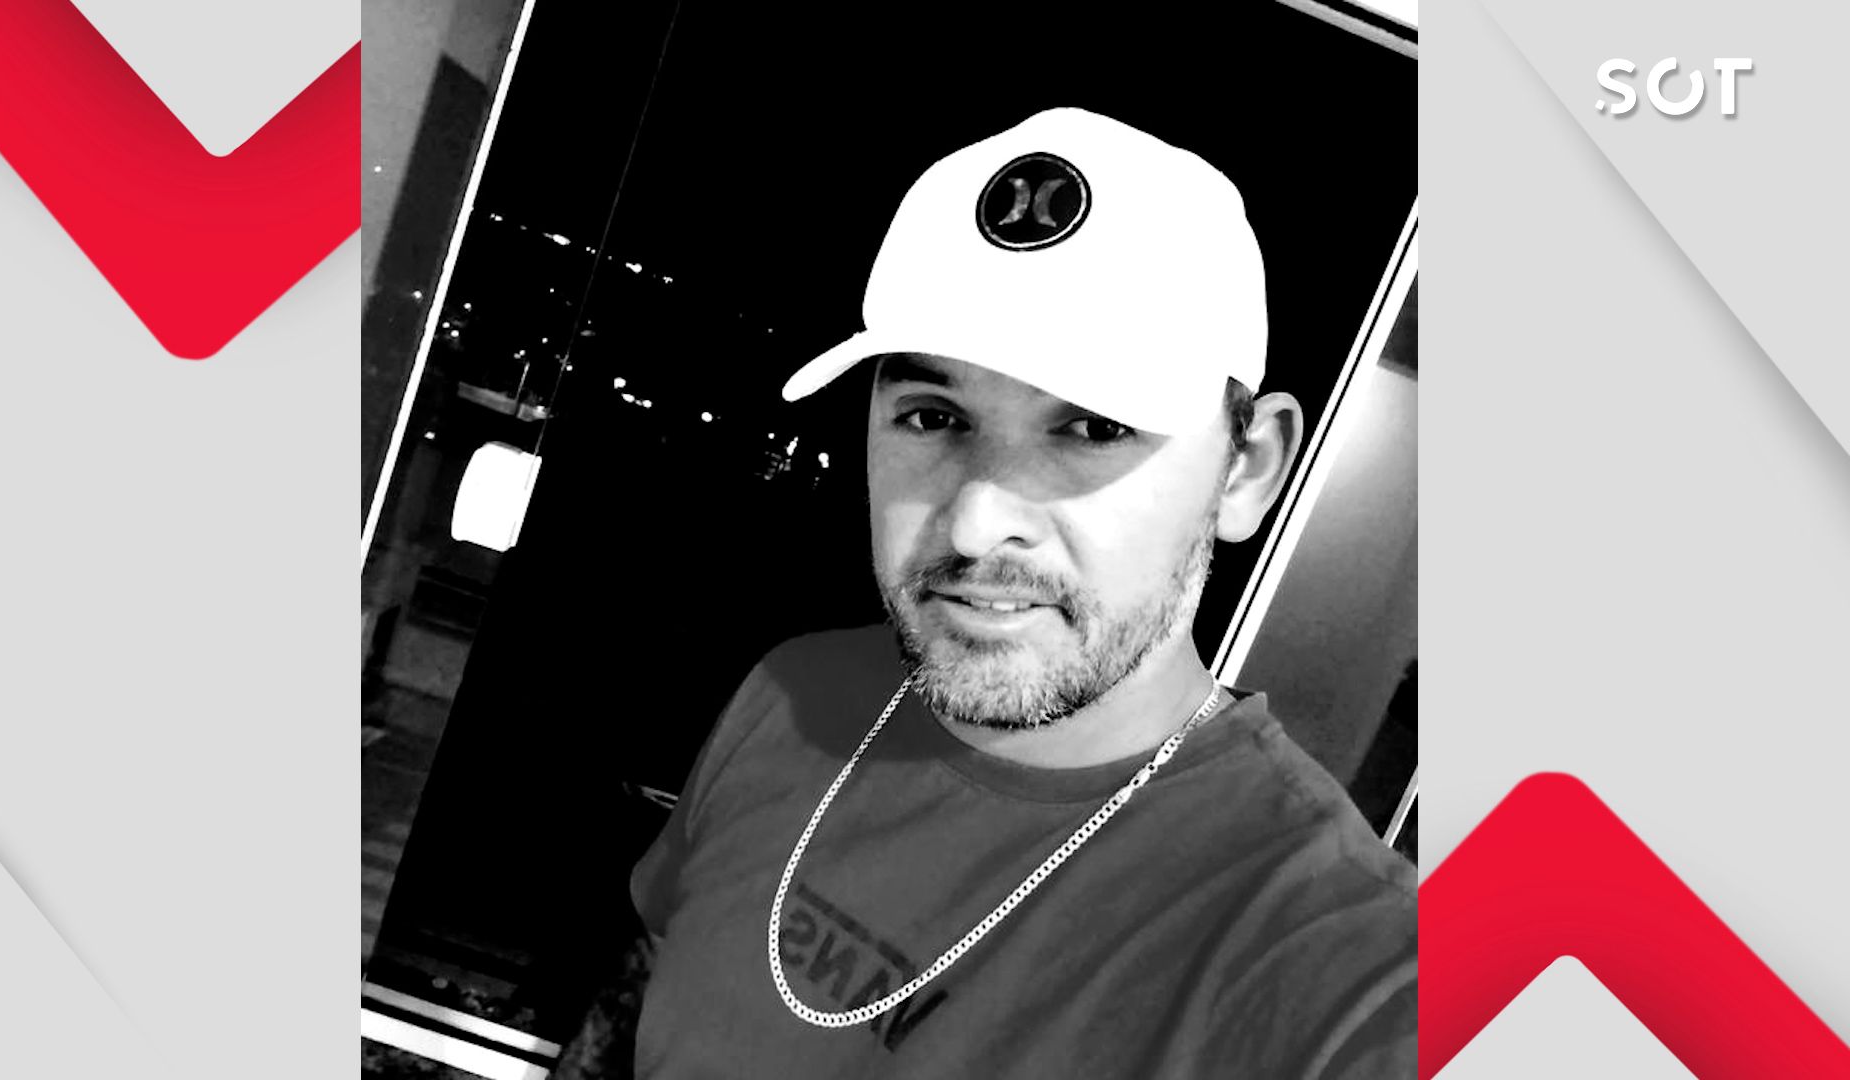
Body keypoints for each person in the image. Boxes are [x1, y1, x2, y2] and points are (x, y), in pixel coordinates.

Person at [569, 108, 1415, 1079]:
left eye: (1092, 428)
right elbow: (641, 994)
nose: (975, 523)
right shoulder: (792, 698)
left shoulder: (1349, 974)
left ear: (1246, 469)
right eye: (933, 416)